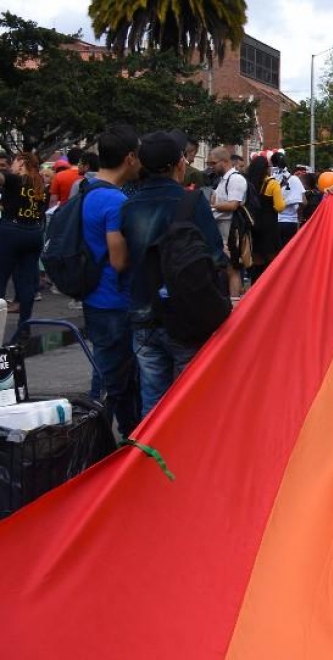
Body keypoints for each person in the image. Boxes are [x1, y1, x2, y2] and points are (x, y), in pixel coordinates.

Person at [121, 130, 226, 418]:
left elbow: (123, 259)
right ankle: (187, 459)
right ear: (179, 164)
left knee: (152, 403)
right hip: (186, 315)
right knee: (189, 402)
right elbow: (215, 256)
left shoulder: (128, 206)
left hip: (143, 314)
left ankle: (149, 459)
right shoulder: (191, 203)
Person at [81, 124, 143, 435]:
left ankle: (94, 439)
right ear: (130, 158)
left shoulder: (88, 190)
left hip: (94, 295)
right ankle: (107, 444)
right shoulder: (115, 202)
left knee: (104, 374)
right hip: (114, 298)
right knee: (118, 382)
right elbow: (119, 261)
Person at [0, 152, 49, 330]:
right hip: (33, 233)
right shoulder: (39, 183)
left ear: (21, 163)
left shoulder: (14, 179)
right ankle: (24, 327)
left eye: (13, 162)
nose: (11, 165)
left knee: (1, 277)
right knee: (27, 282)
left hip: (11, 231)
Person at [208, 146, 247, 298]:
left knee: (233, 270)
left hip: (231, 232)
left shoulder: (235, 179)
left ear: (224, 161)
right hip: (223, 232)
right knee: (228, 270)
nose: (211, 166)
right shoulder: (224, 180)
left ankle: (234, 304)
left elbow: (233, 205)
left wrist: (212, 206)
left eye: (213, 163)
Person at [244, 156, 284, 283]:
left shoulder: (248, 183)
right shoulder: (273, 183)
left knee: (257, 260)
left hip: (254, 224)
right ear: (266, 169)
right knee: (272, 259)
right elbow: (279, 207)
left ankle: (255, 287)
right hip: (270, 226)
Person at [271, 152, 304, 251]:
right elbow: (303, 201)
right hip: (290, 222)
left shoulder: (270, 179)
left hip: (274, 221)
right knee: (289, 253)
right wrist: (299, 217)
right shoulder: (294, 179)